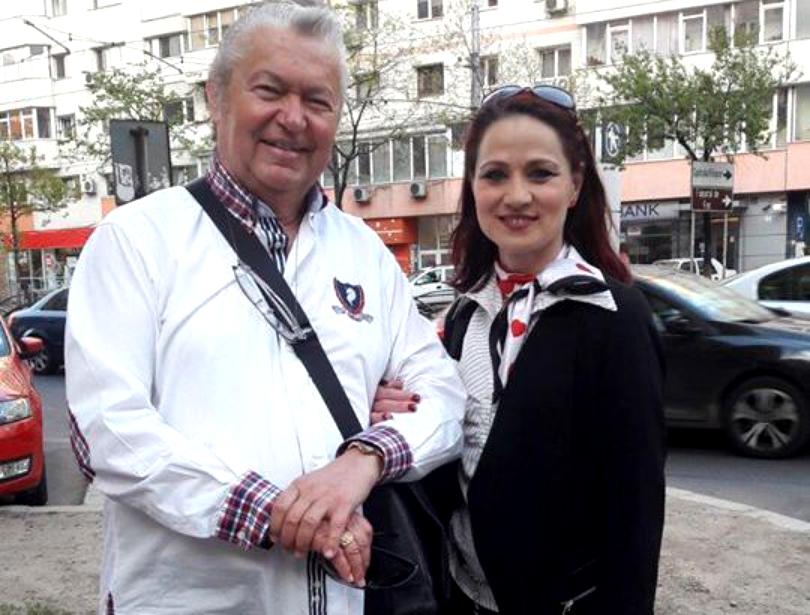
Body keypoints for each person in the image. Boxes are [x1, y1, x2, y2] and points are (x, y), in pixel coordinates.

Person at [64, 2, 464, 613]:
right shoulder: (136, 240)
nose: (293, 118)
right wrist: (274, 512)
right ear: (216, 97)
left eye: (318, 100)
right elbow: (108, 432)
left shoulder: (364, 251)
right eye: (270, 91)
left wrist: (365, 458)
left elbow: (443, 395)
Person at [374, 86, 665, 614]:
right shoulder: (464, 315)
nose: (516, 196)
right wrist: (399, 410)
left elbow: (637, 509)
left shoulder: (614, 317)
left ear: (575, 185)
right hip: (459, 598)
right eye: (494, 175)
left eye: (540, 173)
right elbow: (451, 458)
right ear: (472, 188)